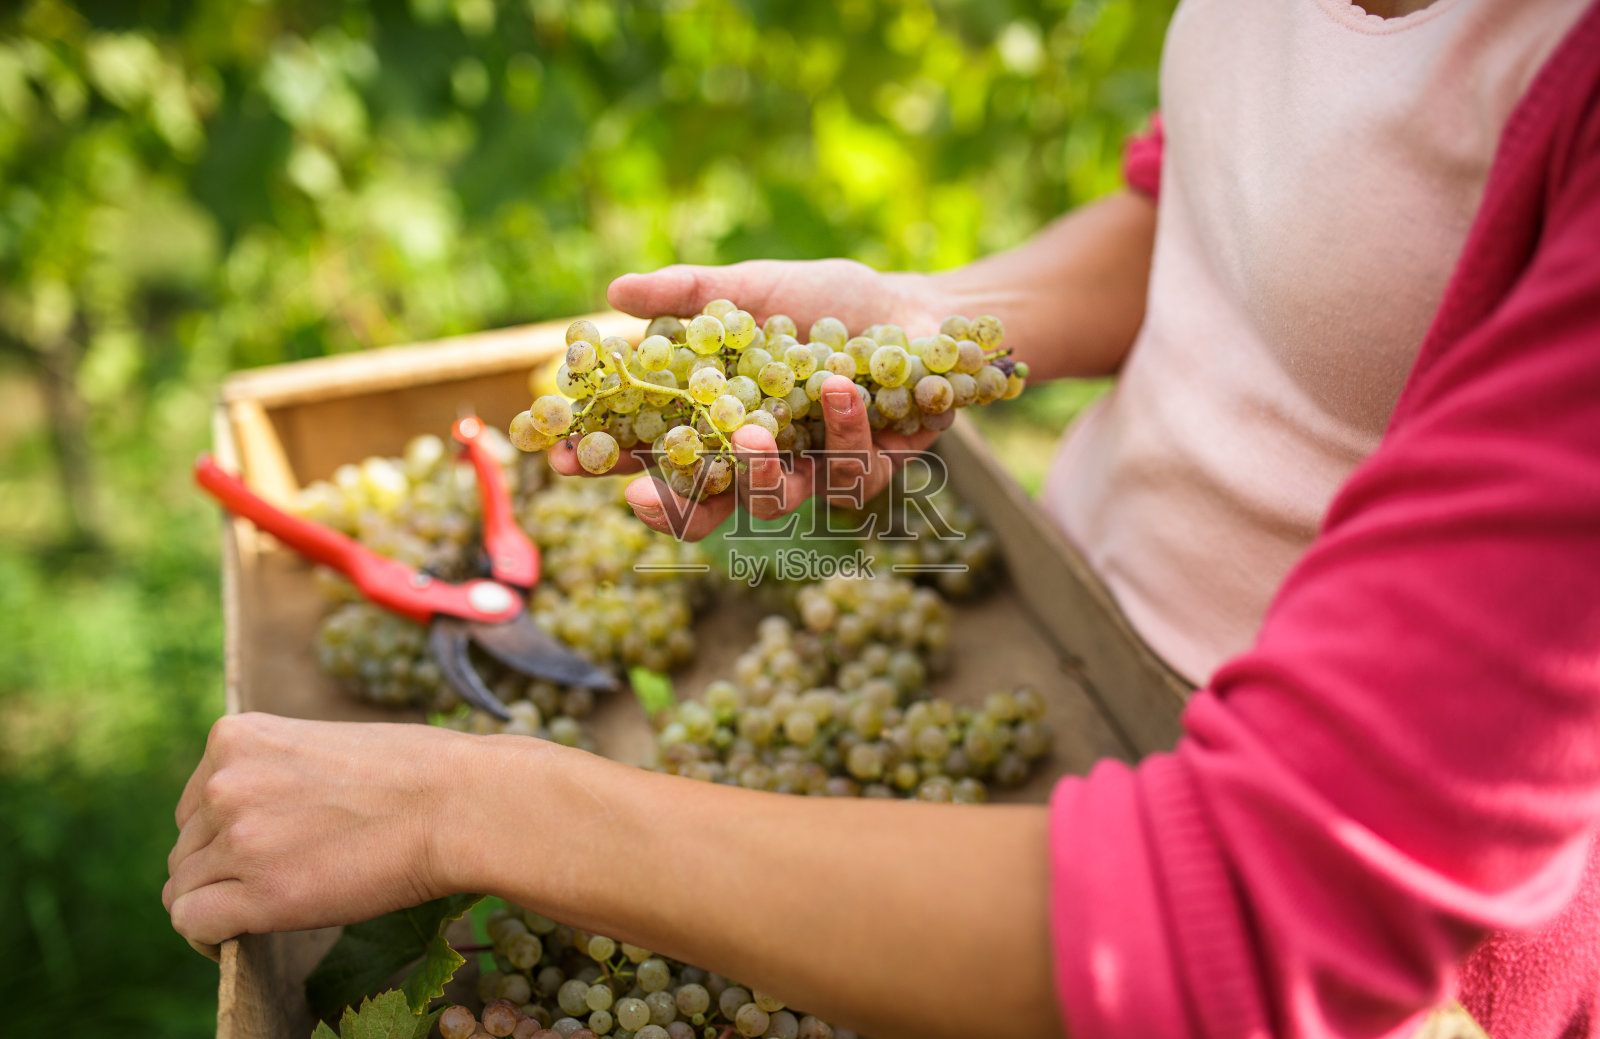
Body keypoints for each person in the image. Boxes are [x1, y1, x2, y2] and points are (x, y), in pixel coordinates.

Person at [165, 0, 1600, 1036]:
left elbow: (1263, 917)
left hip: (1312, 918)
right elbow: (1224, 216)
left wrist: (475, 801)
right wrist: (935, 326)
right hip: (1061, 636)